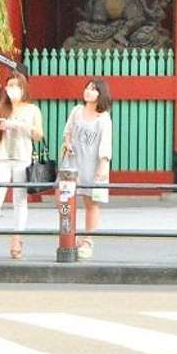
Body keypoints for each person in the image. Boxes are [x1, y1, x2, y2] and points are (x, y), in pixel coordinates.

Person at [0, 72, 43, 260]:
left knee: (19, 201)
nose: (13, 89)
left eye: (17, 85)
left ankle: (17, 238)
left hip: (22, 159)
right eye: (10, 85)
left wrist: (22, 126)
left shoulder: (32, 110)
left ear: (24, 88)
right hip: (1, 158)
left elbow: (38, 135)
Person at [60, 79, 114, 260]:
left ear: (101, 94)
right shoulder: (76, 111)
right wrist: (67, 144)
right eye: (87, 88)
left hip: (93, 164)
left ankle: (88, 240)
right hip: (73, 162)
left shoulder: (104, 118)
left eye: (93, 89)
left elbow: (106, 143)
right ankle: (71, 236)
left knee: (91, 202)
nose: (88, 91)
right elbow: (67, 132)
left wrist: (103, 164)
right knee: (66, 201)